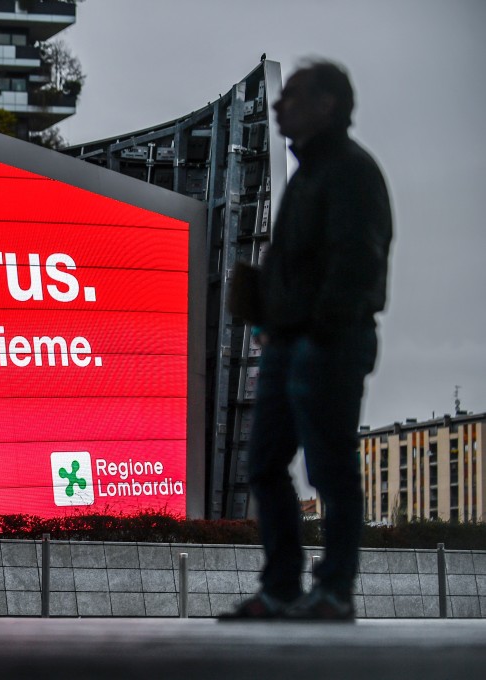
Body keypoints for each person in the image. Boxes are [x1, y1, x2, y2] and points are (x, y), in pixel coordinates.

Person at [221, 60, 392, 620]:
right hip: (288, 345)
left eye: (290, 97)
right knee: (266, 464)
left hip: (328, 344)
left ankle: (334, 590)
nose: (277, 107)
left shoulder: (351, 172)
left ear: (326, 105)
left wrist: (315, 329)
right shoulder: (307, 177)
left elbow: (354, 266)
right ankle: (282, 589)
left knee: (330, 468)